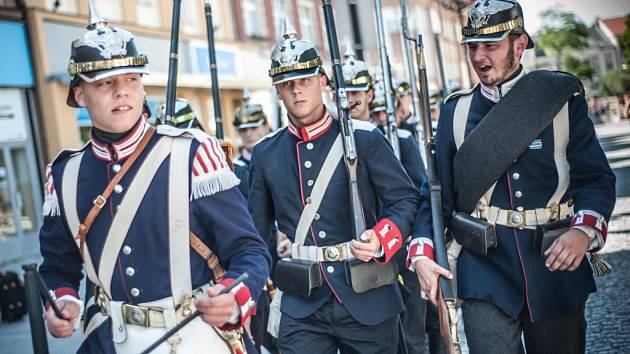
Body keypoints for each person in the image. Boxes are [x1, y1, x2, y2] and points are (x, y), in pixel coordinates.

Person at [39, 4, 270, 353]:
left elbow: (248, 250)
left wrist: (234, 295)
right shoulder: (63, 174)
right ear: (79, 95)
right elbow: (58, 265)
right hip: (110, 340)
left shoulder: (194, 153)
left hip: (195, 334)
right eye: (105, 83)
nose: (122, 91)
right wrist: (63, 301)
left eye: (131, 79)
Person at [409, 1, 616, 353]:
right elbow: (436, 195)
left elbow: (596, 179)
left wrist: (582, 232)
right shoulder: (454, 113)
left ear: (519, 45)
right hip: (484, 266)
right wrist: (422, 253)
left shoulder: (560, 100)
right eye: (473, 46)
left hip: (554, 261)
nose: (479, 56)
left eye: (491, 45)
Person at [248, 20, 419, 354]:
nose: (297, 90)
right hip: (301, 301)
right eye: (287, 83)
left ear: (323, 81)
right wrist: (260, 280)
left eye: (305, 80)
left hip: (368, 290)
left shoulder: (365, 137)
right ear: (277, 89)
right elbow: (256, 231)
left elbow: (405, 200)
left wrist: (383, 236)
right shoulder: (266, 152)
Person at [342, 46, 428, 354]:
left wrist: (419, 246)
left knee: (416, 332)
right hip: (363, 254)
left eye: (357, 91)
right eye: (346, 91)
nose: (351, 99)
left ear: (369, 94)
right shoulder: (339, 143)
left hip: (400, 247)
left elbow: (416, 194)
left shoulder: (398, 139)